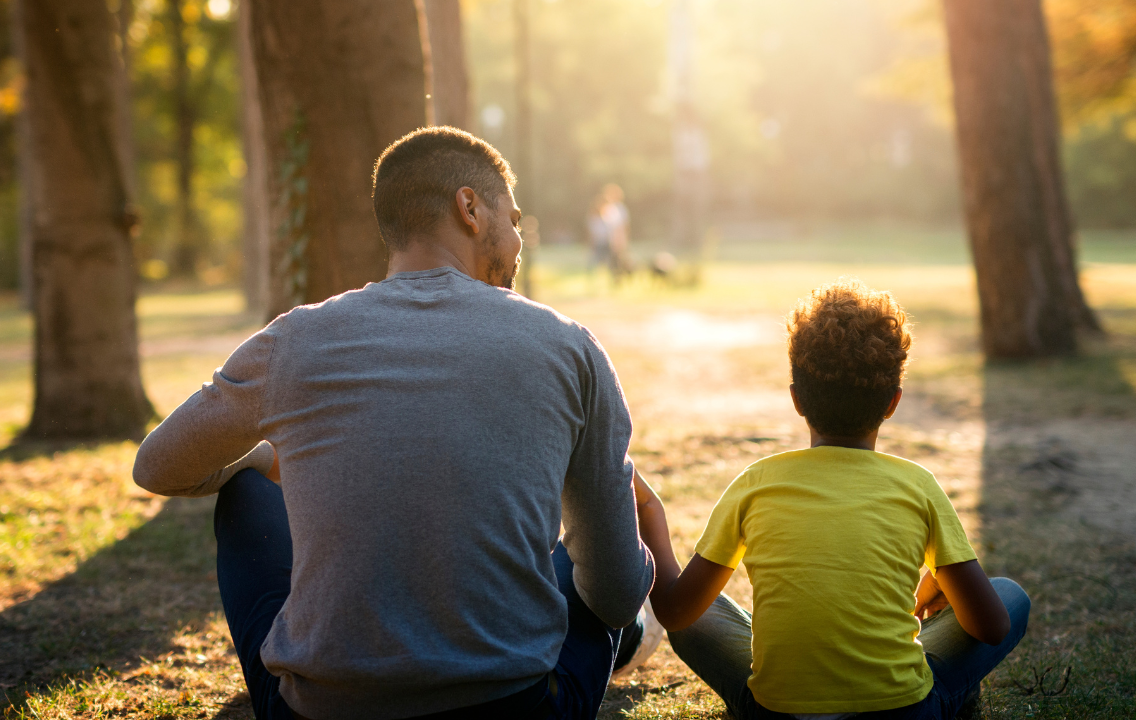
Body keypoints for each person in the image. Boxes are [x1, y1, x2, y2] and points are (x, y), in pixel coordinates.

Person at [132, 127, 661, 720]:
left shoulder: (294, 339)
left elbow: (156, 467)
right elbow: (613, 595)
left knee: (246, 490)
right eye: (513, 220)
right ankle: (640, 637)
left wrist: (258, 457)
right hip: (517, 709)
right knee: (593, 559)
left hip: (318, 714)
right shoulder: (569, 346)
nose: (518, 243)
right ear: (469, 208)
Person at [629, 279, 1030, 720]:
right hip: (901, 714)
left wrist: (652, 514)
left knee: (697, 618)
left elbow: (674, 611)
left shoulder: (755, 483)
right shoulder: (918, 486)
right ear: (893, 402)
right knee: (1009, 596)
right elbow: (991, 627)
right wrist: (946, 581)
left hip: (777, 715)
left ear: (797, 400)